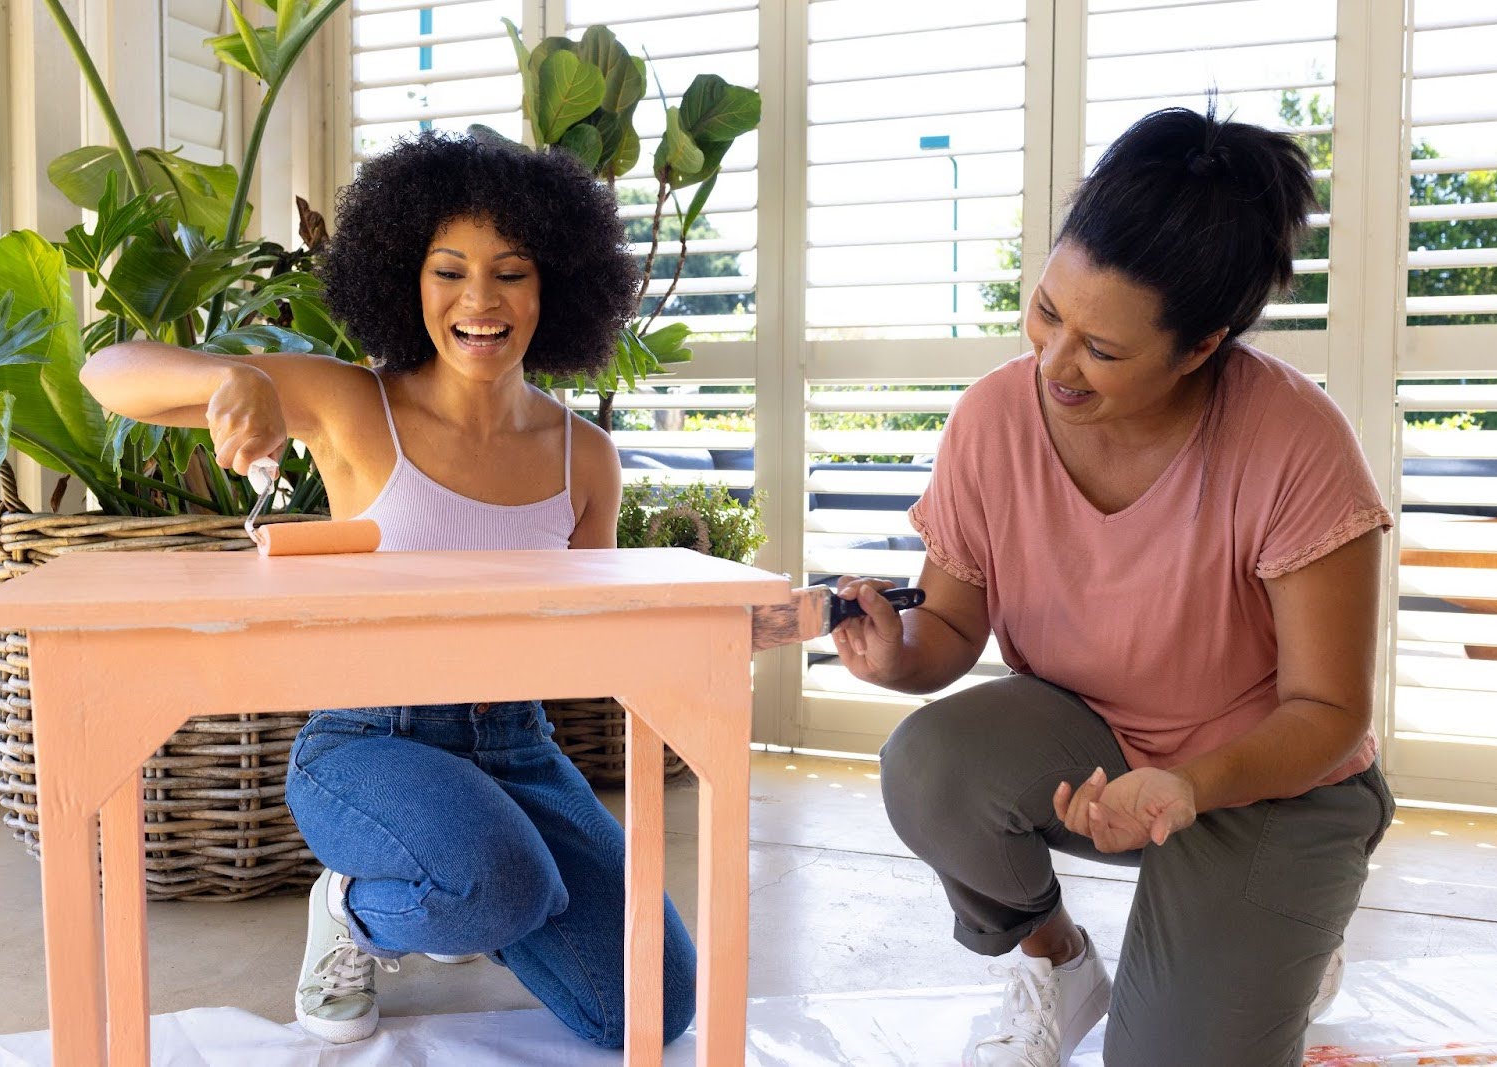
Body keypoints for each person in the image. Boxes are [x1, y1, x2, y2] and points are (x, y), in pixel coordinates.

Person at [79, 130, 696, 1049]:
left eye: (512, 273)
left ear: (554, 287)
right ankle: (360, 909)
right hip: (371, 738)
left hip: (519, 746)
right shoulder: (351, 406)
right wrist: (231, 377)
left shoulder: (586, 459)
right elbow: (108, 374)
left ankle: (468, 886)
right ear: (407, 278)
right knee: (498, 882)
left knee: (655, 1006)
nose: (479, 302)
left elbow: (593, 642)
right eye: (449, 271)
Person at [831, 103, 1396, 1067]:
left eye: (1102, 348)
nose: (1052, 361)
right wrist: (899, 656)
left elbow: (1329, 710)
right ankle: (1062, 961)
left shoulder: (1296, 442)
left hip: (1267, 786)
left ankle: (1280, 933)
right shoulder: (991, 421)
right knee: (930, 765)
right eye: (1049, 310)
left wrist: (1190, 785)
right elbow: (955, 624)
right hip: (1090, 751)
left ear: (1201, 346)